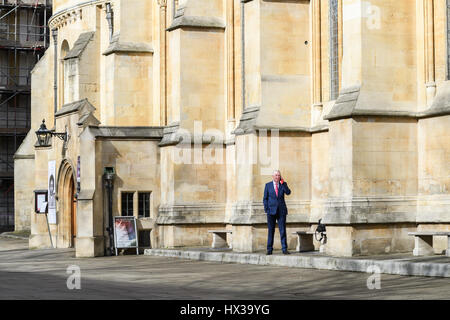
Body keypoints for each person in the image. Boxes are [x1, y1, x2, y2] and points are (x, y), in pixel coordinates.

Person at [263, 170, 291, 255]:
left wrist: (283, 183)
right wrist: (266, 209)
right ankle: (269, 249)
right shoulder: (268, 185)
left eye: (279, 175)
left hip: (281, 211)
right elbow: (265, 198)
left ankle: (284, 249)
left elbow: (288, 192)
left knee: (282, 230)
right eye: (275, 175)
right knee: (271, 230)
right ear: (273, 176)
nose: (277, 177)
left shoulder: (283, 184)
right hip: (271, 211)